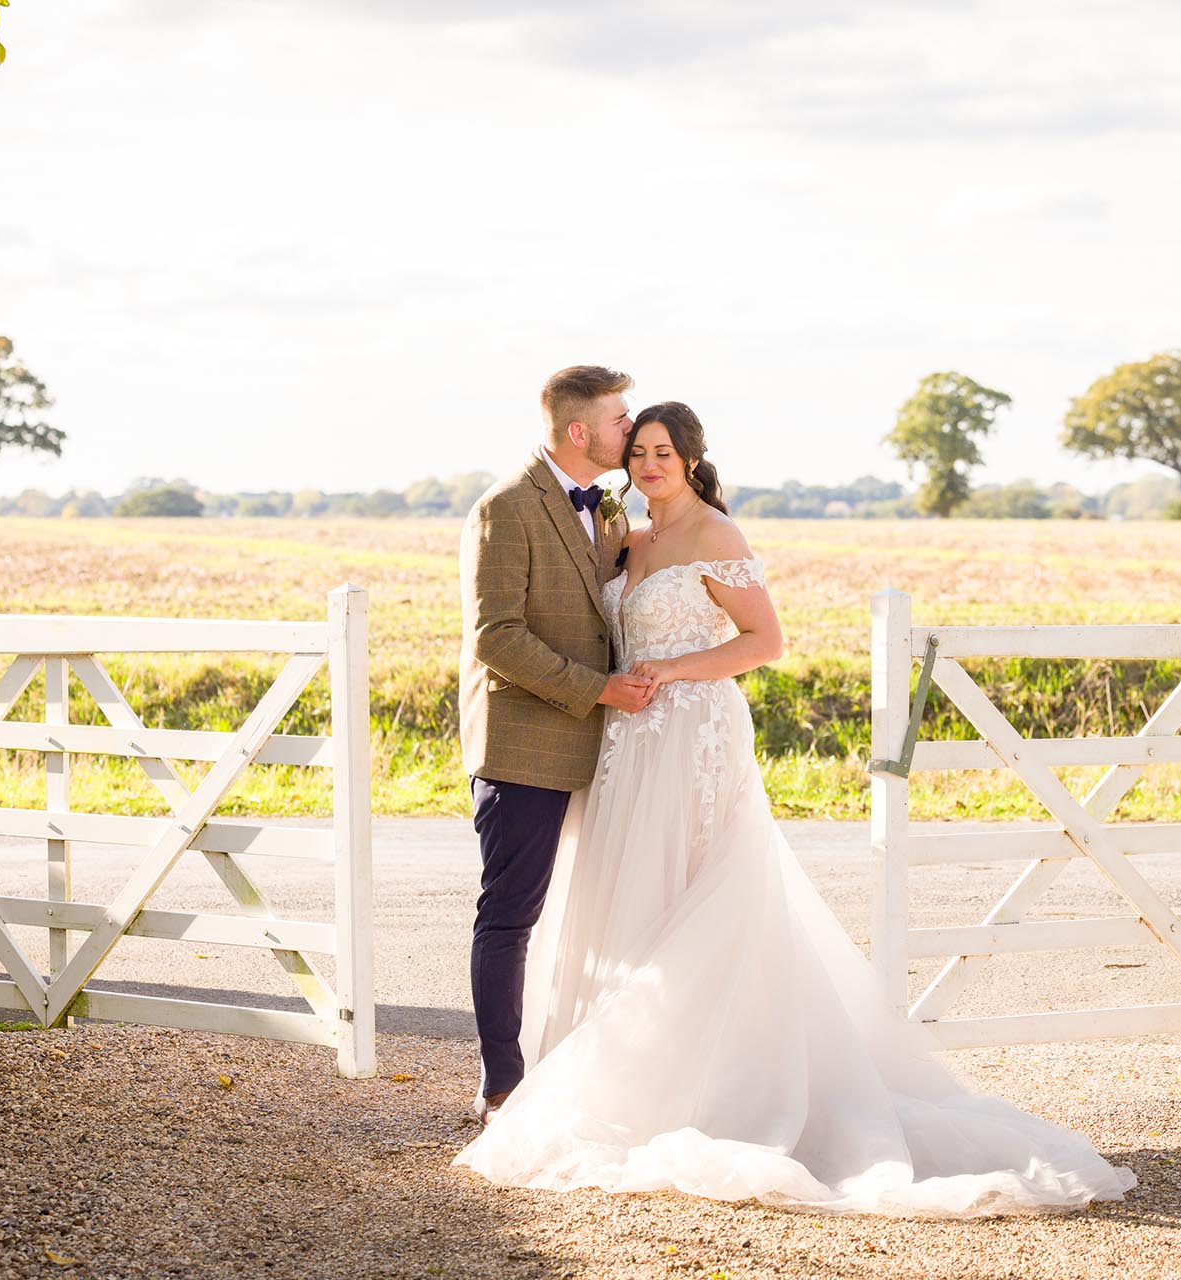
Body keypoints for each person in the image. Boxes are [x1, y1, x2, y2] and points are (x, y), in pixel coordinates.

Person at [455, 400, 1137, 1217]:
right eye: (637, 451)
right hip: (629, 741)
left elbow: (764, 643)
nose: (647, 465)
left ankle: (723, 1091)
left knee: (707, 900)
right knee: (635, 901)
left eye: (663, 452)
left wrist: (672, 674)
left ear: (693, 459)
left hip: (693, 733)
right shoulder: (628, 537)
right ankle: (630, 1074)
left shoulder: (718, 536)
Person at [457, 365, 656, 1123]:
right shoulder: (505, 507)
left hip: (610, 747)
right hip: (527, 742)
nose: (629, 432)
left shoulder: (605, 506)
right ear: (580, 432)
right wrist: (598, 688)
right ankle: (501, 1082)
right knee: (511, 914)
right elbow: (496, 637)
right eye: (619, 420)